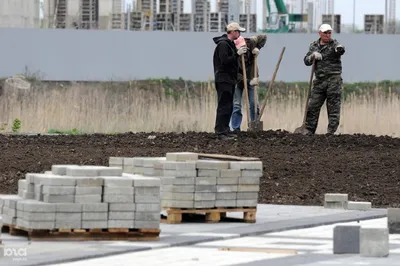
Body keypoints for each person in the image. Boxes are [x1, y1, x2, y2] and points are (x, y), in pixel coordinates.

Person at [303, 24, 345, 135]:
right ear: (320, 33)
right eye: (325, 33)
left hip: (333, 80)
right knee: (312, 106)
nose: (328, 35)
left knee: (333, 108)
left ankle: (332, 132)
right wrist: (312, 56)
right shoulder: (314, 46)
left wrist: (339, 49)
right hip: (319, 81)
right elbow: (306, 61)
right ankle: (308, 130)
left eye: (329, 33)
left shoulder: (335, 44)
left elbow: (340, 50)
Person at [212, 22, 247, 140]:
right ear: (232, 32)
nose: (240, 34)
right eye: (238, 31)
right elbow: (225, 61)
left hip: (229, 80)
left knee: (229, 105)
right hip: (223, 79)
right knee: (224, 105)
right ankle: (220, 131)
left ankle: (225, 130)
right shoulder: (223, 45)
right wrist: (237, 54)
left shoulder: (229, 44)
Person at [230, 34, 267, 132]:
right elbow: (235, 74)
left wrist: (257, 48)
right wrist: (249, 82)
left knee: (254, 104)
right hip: (238, 81)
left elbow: (263, 37)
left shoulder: (251, 42)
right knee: (237, 104)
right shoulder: (233, 52)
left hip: (251, 77)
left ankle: (253, 126)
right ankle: (235, 128)